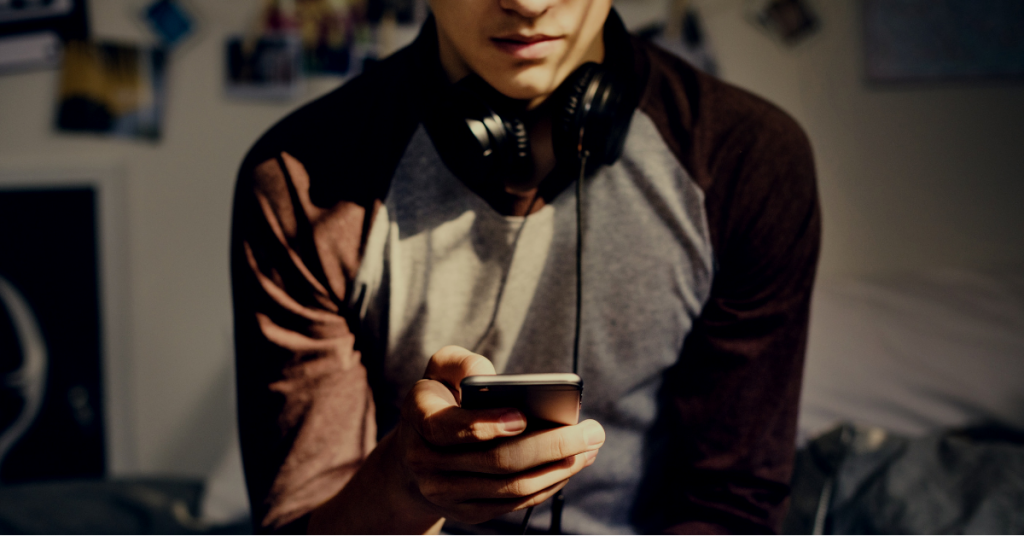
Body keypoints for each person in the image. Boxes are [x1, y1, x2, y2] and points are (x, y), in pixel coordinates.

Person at [230, 0, 820, 533]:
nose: (529, 3)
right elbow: (300, 525)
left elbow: (732, 508)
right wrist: (409, 485)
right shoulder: (299, 183)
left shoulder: (748, 160)